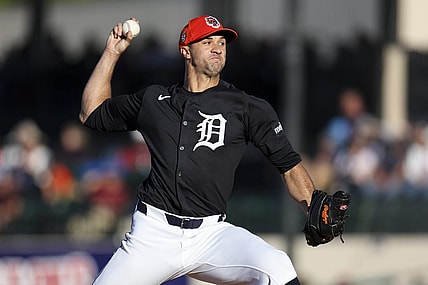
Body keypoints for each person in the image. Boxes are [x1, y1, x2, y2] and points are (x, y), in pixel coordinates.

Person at [80, 15, 315, 285]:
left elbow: (288, 164)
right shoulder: (154, 100)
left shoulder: (246, 107)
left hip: (211, 235)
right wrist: (112, 51)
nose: (218, 47)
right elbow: (91, 111)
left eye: (222, 42)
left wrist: (313, 209)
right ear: (185, 50)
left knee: (278, 267)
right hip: (153, 235)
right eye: (207, 41)